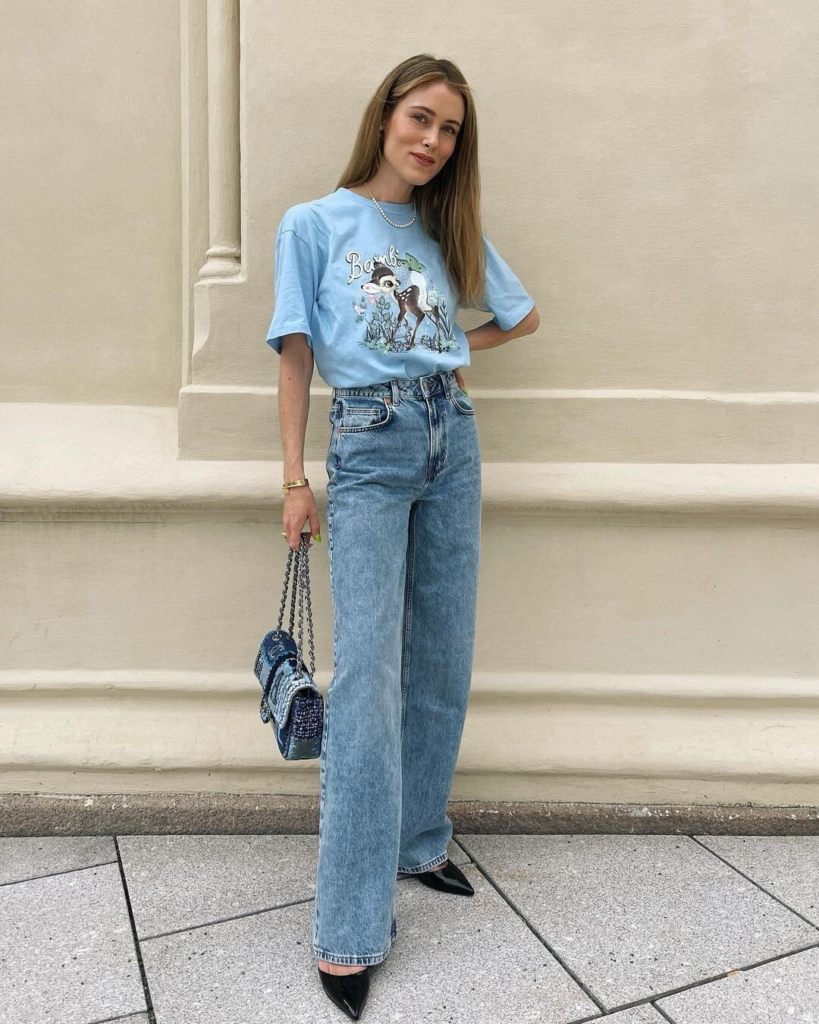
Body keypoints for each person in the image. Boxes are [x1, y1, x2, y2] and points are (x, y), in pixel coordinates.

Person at [264, 52, 539, 1020]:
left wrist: (453, 355)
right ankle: (347, 929)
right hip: (370, 444)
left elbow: (520, 314)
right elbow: (297, 354)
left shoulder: (441, 227)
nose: (433, 140)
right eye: (421, 118)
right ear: (384, 115)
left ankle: (421, 839)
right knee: (369, 675)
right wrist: (296, 476)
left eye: (450, 129)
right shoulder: (314, 224)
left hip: (450, 439)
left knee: (442, 655)